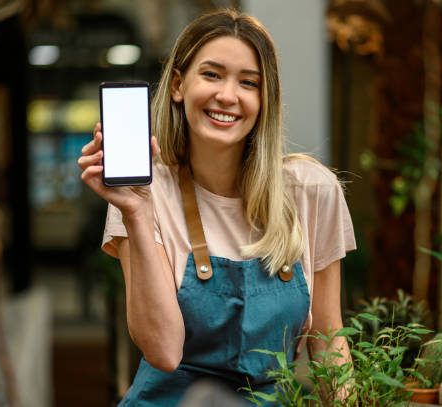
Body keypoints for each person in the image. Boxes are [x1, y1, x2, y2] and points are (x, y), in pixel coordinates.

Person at [78, 9, 356, 406]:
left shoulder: (312, 191)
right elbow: (163, 350)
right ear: (178, 85)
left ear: (265, 98)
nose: (228, 95)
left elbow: (329, 339)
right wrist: (135, 214)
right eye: (211, 75)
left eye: (248, 82)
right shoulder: (146, 193)